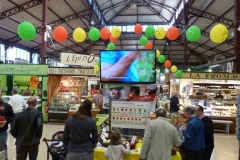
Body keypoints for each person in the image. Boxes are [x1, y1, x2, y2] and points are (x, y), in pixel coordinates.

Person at [0, 90, 14, 159]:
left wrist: (6, 121)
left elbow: (12, 117)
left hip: (2, 132)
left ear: (1, 95)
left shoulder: (7, 106)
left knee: (3, 149)